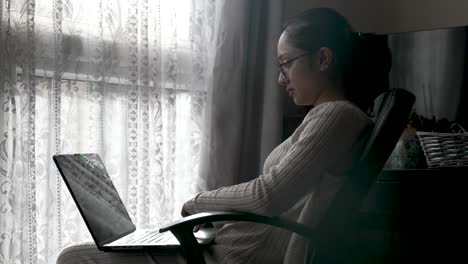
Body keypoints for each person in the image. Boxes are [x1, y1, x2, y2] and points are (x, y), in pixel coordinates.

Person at [57, 7, 392, 264]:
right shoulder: (327, 117)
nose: (281, 79)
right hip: (221, 246)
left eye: (286, 64)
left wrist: (197, 202)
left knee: (75, 258)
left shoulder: (338, 116)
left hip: (234, 257)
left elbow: (269, 195)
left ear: (323, 59)